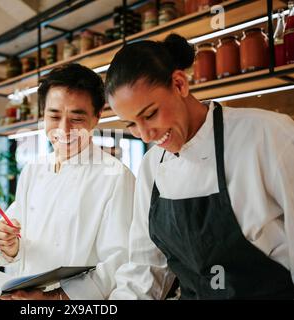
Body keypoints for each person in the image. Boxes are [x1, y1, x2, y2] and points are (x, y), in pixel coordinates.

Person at [105, 34, 294, 299]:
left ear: (180, 84)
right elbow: (145, 270)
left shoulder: (267, 134)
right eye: (132, 125)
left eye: (150, 115)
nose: (146, 135)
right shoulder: (151, 166)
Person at [0, 63, 135, 300]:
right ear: (42, 114)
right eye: (54, 116)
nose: (63, 129)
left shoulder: (115, 177)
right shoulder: (32, 170)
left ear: (97, 117)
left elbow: (119, 264)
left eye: (76, 118)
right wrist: (8, 244)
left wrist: (56, 298)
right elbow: (18, 241)